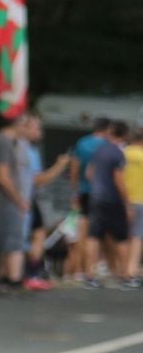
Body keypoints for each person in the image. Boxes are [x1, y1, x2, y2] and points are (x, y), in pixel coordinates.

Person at [84, 120, 138, 287]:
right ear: (124, 135)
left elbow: (89, 173)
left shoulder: (100, 149)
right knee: (121, 237)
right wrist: (127, 203)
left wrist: (98, 187)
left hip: (96, 197)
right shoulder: (117, 153)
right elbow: (118, 180)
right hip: (112, 199)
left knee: (94, 237)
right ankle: (126, 276)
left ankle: (89, 275)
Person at [0, 112, 32, 292]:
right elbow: (4, 177)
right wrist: (19, 200)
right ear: (18, 124)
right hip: (4, 201)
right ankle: (14, 279)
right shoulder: (4, 144)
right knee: (14, 240)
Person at [22, 111, 71, 289]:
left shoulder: (29, 149)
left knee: (37, 233)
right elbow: (38, 179)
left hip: (26, 197)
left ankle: (28, 272)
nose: (40, 131)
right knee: (36, 234)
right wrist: (60, 165)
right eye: (36, 127)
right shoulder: (27, 150)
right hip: (25, 198)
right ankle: (31, 273)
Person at [69, 116, 109, 279]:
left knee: (82, 232)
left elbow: (74, 170)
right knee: (100, 234)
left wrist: (75, 191)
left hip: (84, 192)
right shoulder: (107, 146)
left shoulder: (82, 143)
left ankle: (79, 270)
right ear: (107, 130)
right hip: (103, 194)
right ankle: (95, 268)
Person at [124, 126, 143, 282]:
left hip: (122, 200)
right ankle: (132, 269)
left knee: (124, 236)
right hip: (140, 199)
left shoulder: (122, 153)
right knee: (137, 236)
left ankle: (122, 268)